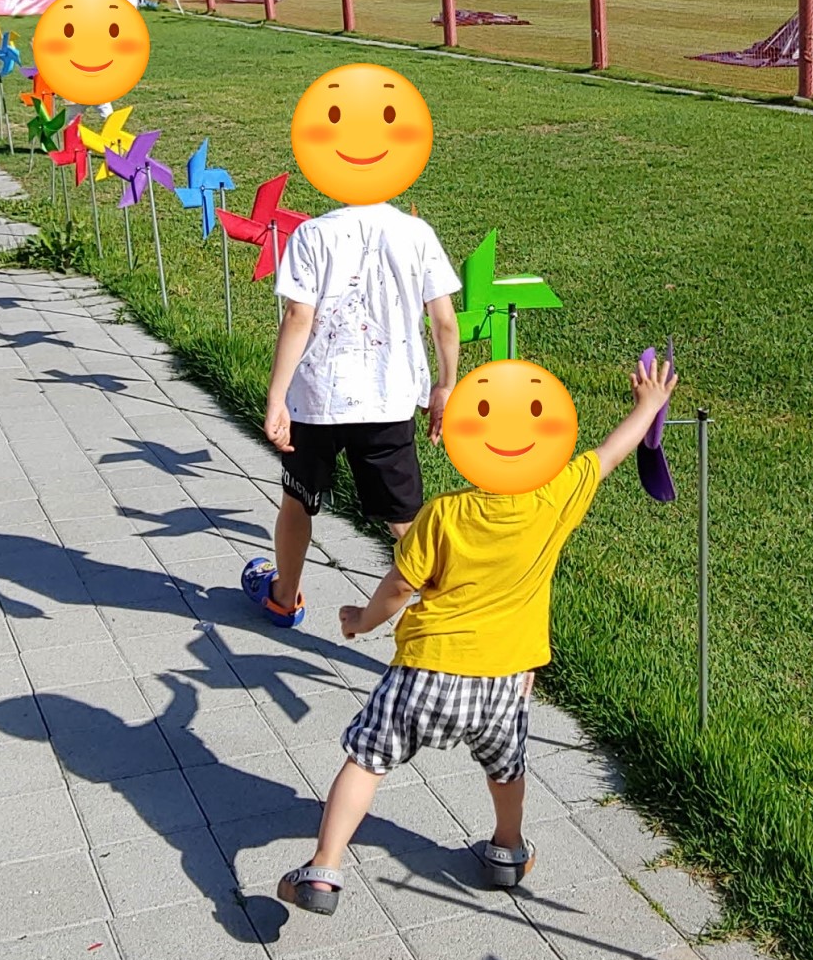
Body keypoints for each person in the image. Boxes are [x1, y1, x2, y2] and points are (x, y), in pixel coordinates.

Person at [276, 352, 676, 915]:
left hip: (426, 671)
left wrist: (361, 620)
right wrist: (648, 406)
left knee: (367, 760)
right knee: (506, 769)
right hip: (505, 682)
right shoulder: (553, 499)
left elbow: (400, 587)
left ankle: (324, 867)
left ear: (466, 442)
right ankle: (508, 849)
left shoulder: (443, 515)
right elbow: (609, 455)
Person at [242, 63, 460, 629]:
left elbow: (298, 317)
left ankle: (284, 597)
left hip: (317, 400)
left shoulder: (312, 234)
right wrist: (445, 386)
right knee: (404, 518)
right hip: (390, 399)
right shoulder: (417, 234)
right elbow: (444, 322)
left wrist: (276, 398)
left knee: (298, 501)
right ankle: (449, 613)